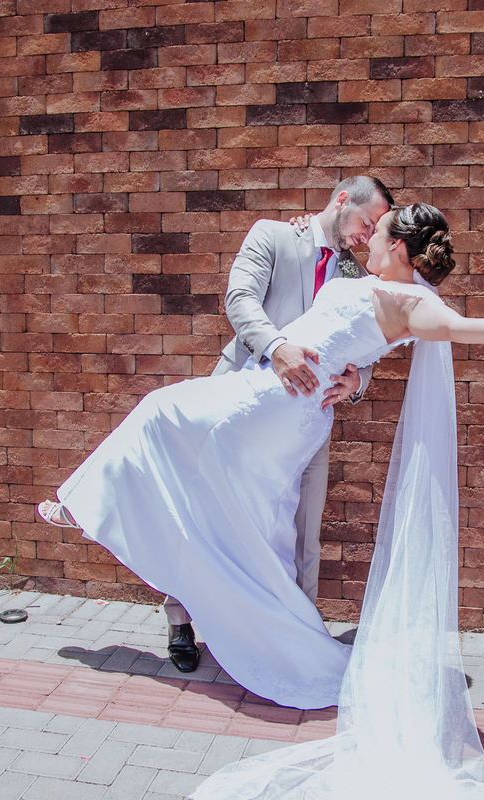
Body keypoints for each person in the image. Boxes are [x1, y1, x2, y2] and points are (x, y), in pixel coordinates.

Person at [37, 203, 484, 708]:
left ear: (397, 246)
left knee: (160, 412)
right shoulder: (371, 281)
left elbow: (458, 329)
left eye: (378, 232)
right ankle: (285, 644)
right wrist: (353, 371)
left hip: (269, 402)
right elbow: (343, 324)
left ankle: (84, 504)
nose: (368, 239)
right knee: (259, 528)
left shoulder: (413, 301)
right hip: (291, 412)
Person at [155, 176, 395, 673]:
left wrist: (359, 381)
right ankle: (180, 619)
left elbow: (369, 342)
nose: (367, 235)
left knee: (305, 531)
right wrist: (276, 346)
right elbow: (240, 298)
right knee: (206, 513)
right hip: (242, 404)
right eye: (366, 222)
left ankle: (299, 636)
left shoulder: (358, 271)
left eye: (376, 229)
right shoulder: (274, 235)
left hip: (308, 416)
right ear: (342, 200)